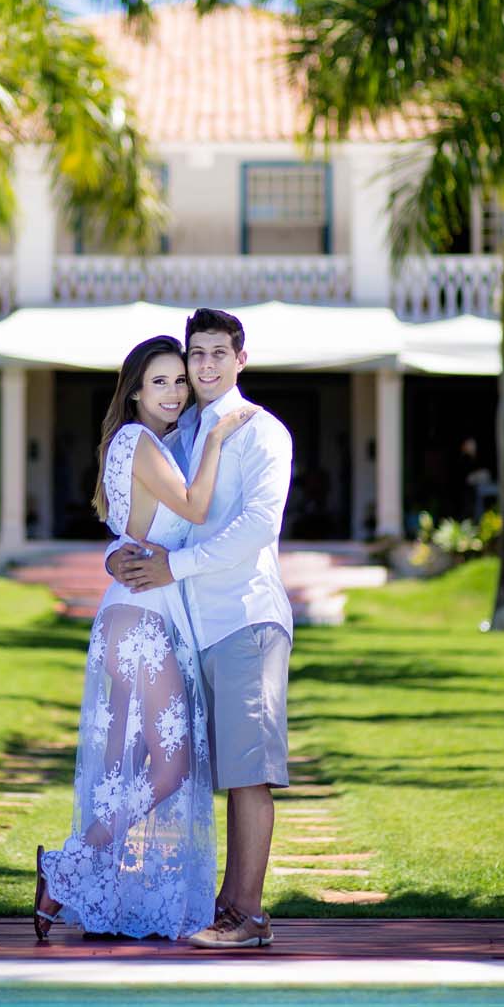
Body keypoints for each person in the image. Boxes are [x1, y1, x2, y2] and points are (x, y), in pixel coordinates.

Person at [34, 334, 255, 942]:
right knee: (171, 766)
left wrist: (116, 555)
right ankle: (67, 868)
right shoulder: (138, 440)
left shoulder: (146, 444)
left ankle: (94, 887)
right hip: (141, 621)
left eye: (179, 381)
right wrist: (216, 435)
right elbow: (196, 506)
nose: (175, 391)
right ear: (134, 392)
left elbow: (132, 532)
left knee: (126, 766)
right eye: (160, 382)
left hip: (141, 614)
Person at [108, 307, 293, 950]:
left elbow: (256, 529)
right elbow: (150, 513)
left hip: (244, 619)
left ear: (241, 359)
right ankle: (203, 904)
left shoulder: (263, 432)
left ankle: (247, 916)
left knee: (248, 773)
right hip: (187, 627)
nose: (206, 365)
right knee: (182, 770)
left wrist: (172, 567)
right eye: (197, 354)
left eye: (219, 353)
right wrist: (122, 557)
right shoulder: (180, 429)